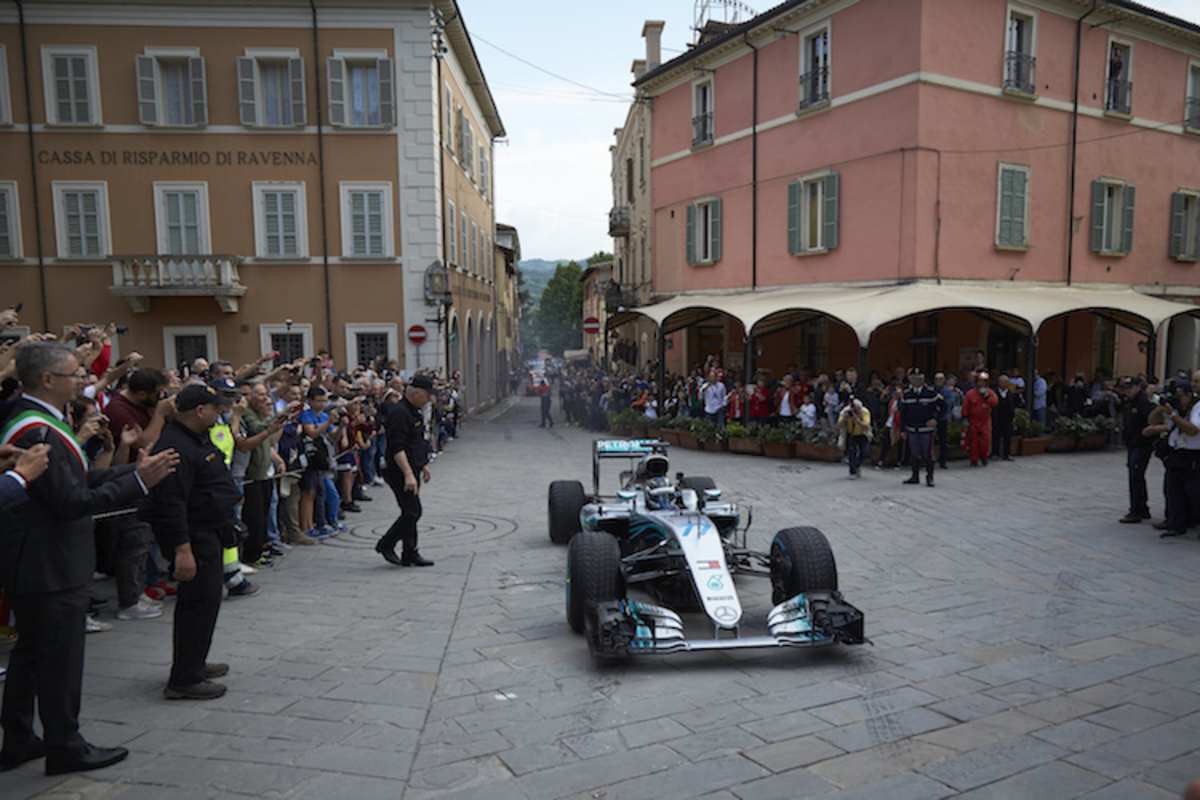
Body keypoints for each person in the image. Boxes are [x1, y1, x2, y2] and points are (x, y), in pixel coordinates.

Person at [0, 342, 177, 775]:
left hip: (41, 560)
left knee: (32, 654)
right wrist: (138, 483)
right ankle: (66, 745)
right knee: (59, 659)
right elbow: (70, 501)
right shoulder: (34, 429)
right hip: (50, 562)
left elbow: (74, 478)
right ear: (47, 380)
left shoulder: (40, 420)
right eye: (75, 373)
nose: (83, 379)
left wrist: (128, 472)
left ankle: (19, 737)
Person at [142, 384, 243, 700]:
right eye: (215, 408)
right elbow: (171, 504)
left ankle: (193, 663)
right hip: (195, 537)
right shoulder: (175, 447)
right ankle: (184, 678)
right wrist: (182, 549)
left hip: (209, 531)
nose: (219, 413)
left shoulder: (192, 439)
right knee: (198, 603)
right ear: (200, 410)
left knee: (205, 602)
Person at [375, 374, 435, 567]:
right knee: (412, 512)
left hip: (412, 467)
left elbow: (416, 442)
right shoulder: (399, 413)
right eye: (427, 395)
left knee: (410, 511)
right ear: (416, 393)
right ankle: (386, 544)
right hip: (399, 470)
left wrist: (423, 465)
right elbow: (397, 448)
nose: (428, 399)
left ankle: (410, 552)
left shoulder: (414, 411)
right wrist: (408, 474)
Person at [1155, 372, 1200, 539]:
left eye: (1197, 381)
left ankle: (1190, 522)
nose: (1195, 384)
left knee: (1193, 492)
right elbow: (1153, 421)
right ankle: (1176, 524)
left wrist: (1173, 415)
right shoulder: (1180, 409)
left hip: (1194, 455)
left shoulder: (1197, 407)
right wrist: (1161, 409)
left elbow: (1193, 430)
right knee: (1173, 490)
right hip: (1178, 453)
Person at [1119, 376, 1155, 524]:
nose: (1127, 391)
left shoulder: (1143, 402)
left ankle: (1135, 511)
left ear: (1137, 387)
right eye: (1125, 388)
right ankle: (1142, 508)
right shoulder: (1129, 402)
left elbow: (1152, 420)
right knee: (1137, 476)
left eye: (1129, 388)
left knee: (1135, 476)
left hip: (1141, 445)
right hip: (1132, 444)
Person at [899, 368, 943, 487]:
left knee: (927, 453)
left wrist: (935, 419)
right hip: (912, 428)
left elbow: (943, 407)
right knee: (914, 453)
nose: (916, 380)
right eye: (914, 378)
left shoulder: (931, 393)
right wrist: (902, 429)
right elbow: (902, 413)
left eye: (919, 377)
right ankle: (915, 476)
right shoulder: (907, 394)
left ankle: (930, 477)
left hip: (926, 430)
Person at [963, 372, 999, 467]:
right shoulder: (970, 393)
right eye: (980, 381)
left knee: (985, 441)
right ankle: (974, 459)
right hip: (973, 421)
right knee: (973, 442)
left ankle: (984, 457)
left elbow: (995, 402)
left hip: (985, 421)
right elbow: (965, 407)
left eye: (984, 382)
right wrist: (965, 419)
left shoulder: (990, 392)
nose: (981, 383)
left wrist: (986, 396)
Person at [991, 374, 1023, 461]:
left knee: (1008, 436)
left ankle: (1007, 454)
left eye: (1006, 382)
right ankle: (995, 453)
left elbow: (1016, 404)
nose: (1004, 384)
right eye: (1002, 382)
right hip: (997, 418)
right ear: (999, 383)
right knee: (995, 436)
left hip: (1008, 418)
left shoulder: (1010, 393)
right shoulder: (994, 393)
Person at [837, 399, 872, 478]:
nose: (856, 411)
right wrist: (844, 418)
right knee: (852, 453)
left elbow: (866, 426)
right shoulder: (845, 412)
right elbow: (838, 425)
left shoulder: (865, 412)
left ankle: (857, 465)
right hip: (851, 434)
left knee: (865, 452)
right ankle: (852, 472)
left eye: (857, 409)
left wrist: (857, 419)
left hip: (863, 434)